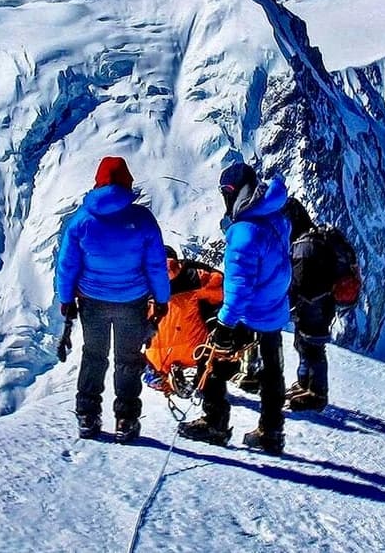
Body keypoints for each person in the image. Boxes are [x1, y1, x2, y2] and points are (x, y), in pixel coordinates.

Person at [55, 156, 170, 444]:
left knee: (94, 355)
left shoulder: (81, 220)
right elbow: (156, 264)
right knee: (128, 360)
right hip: (132, 300)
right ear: (127, 182)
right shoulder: (142, 219)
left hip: (91, 301)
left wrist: (66, 298)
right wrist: (162, 298)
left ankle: (87, 415)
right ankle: (126, 419)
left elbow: (67, 265)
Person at [178, 162, 291, 454]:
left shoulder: (244, 233)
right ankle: (271, 430)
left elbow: (239, 288)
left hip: (250, 311)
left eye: (228, 192)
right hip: (274, 307)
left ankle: (215, 423)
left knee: (213, 360)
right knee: (272, 370)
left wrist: (225, 324)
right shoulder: (276, 215)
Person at [143, 246, 223, 396]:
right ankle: (193, 375)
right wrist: (196, 267)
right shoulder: (194, 277)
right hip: (195, 351)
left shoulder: (143, 283)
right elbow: (223, 289)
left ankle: (157, 376)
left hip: (157, 357)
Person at [283, 197, 336, 412]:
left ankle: (316, 394)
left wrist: (291, 300)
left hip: (313, 309)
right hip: (320, 307)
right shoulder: (311, 239)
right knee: (305, 346)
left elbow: (301, 282)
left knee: (312, 348)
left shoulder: (304, 246)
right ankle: (305, 385)